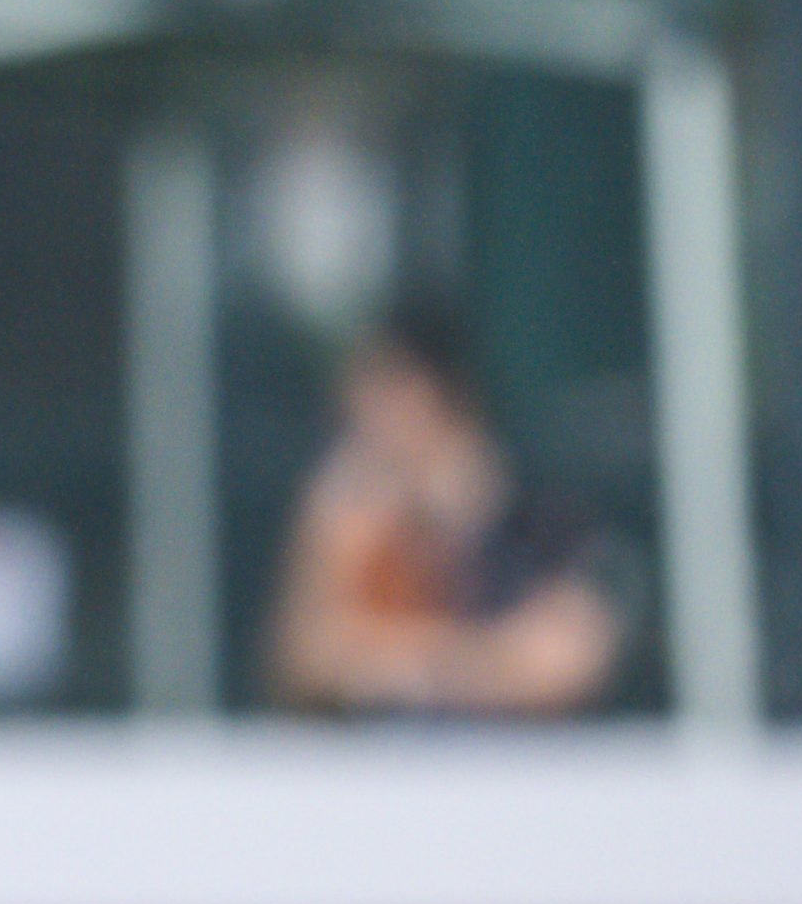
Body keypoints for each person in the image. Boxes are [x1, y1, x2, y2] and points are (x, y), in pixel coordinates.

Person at [266, 302, 623, 719]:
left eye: (384, 392)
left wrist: (414, 663)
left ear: (434, 396)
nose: (362, 417)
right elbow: (306, 661)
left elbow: (564, 659)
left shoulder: (533, 516)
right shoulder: (353, 514)